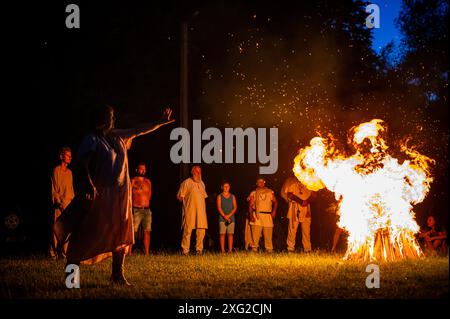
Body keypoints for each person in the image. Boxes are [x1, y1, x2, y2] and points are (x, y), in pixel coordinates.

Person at [54, 105, 174, 286]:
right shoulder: (92, 139)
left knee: (121, 234)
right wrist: (89, 184)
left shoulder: (118, 135)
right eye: (110, 116)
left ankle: (117, 275)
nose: (113, 119)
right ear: (101, 118)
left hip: (121, 197)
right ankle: (71, 280)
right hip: (100, 195)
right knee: (86, 234)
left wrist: (160, 122)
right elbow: (83, 164)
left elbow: (140, 130)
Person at [177, 165, 208, 255]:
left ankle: (199, 250)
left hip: (201, 212)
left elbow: (204, 197)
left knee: (201, 230)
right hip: (190, 211)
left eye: (200, 172)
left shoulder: (202, 184)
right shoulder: (186, 182)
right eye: (197, 172)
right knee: (188, 231)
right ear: (192, 172)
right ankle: (185, 251)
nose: (198, 174)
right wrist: (184, 201)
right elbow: (179, 196)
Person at [50, 147, 75, 259]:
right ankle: (53, 252)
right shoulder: (56, 170)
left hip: (69, 203)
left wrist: (73, 203)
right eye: (67, 155)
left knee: (68, 230)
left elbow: (71, 189)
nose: (70, 157)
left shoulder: (69, 172)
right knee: (56, 228)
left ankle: (64, 252)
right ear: (61, 156)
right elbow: (54, 189)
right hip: (60, 204)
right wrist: (59, 202)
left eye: (70, 155)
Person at [280, 176, 313, 253]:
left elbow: (314, 195)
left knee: (306, 230)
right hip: (294, 207)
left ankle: (307, 249)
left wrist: (306, 201)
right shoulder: (291, 182)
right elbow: (289, 195)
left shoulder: (309, 182)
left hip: (306, 208)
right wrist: (301, 201)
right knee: (292, 229)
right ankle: (290, 248)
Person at [247, 177, 278, 253]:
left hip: (267, 215)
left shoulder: (270, 192)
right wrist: (251, 216)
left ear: (264, 182)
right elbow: (250, 206)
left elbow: (276, 202)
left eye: (262, 182)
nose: (261, 183)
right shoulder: (253, 193)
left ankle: (269, 250)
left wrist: (274, 211)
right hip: (257, 215)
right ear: (256, 183)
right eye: (259, 182)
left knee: (268, 234)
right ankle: (254, 249)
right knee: (255, 234)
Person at [131, 162, 152, 255]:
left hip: (147, 209)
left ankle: (147, 253)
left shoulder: (148, 181)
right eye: (141, 169)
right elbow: (128, 194)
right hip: (136, 209)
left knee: (147, 231)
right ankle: (129, 252)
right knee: (132, 231)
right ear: (137, 170)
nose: (143, 170)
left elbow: (149, 195)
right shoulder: (133, 180)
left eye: (144, 169)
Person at [216, 181, 237, 253]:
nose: (226, 187)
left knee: (230, 234)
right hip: (222, 218)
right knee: (222, 234)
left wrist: (228, 216)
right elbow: (219, 207)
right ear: (222, 187)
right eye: (225, 186)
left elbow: (235, 207)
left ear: (229, 187)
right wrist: (225, 216)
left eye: (228, 186)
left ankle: (230, 250)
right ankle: (223, 250)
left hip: (231, 218)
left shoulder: (232, 196)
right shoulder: (219, 196)